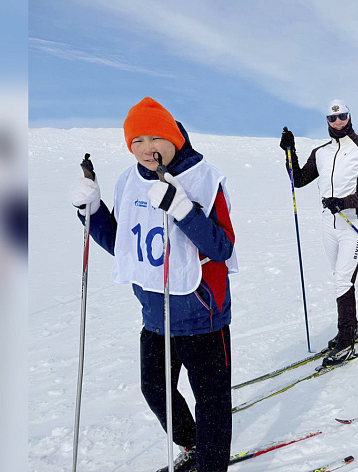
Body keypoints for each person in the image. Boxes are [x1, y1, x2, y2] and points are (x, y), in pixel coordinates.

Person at [69, 97, 236, 472]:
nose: (146, 149)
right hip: (155, 316)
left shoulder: (204, 179)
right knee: (155, 390)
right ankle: (193, 446)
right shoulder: (129, 181)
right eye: (137, 141)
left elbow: (222, 246)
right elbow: (123, 246)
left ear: (173, 137)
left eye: (155, 137)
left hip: (202, 316)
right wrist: (92, 211)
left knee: (211, 401)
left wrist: (182, 210)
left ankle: (211, 466)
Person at [279, 99, 358, 367]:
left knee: (342, 280)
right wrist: (289, 152)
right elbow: (299, 180)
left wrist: (344, 202)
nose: (338, 122)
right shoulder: (322, 152)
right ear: (327, 121)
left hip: (353, 222)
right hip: (329, 223)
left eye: (342, 117)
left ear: (350, 117)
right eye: (332, 118)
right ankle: (348, 329)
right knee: (339, 278)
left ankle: (346, 339)